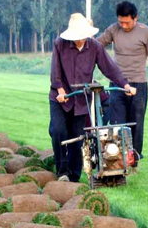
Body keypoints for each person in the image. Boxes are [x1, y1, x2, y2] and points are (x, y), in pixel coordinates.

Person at [49, 13, 134, 182]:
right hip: (61, 98)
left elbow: (110, 68)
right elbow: (55, 70)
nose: (79, 40)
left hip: (81, 100)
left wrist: (125, 85)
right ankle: (62, 172)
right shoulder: (60, 44)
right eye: (77, 37)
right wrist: (59, 89)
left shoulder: (95, 47)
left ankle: (73, 176)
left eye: (82, 37)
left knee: (78, 138)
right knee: (58, 131)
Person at [97, 1, 148, 166]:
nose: (123, 25)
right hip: (117, 84)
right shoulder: (113, 30)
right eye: (120, 22)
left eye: (127, 22)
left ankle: (134, 161)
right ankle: (116, 160)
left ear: (135, 18)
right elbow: (96, 45)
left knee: (136, 124)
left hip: (139, 85)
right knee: (117, 124)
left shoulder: (146, 32)